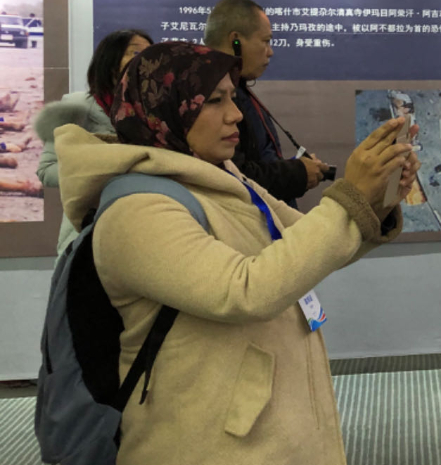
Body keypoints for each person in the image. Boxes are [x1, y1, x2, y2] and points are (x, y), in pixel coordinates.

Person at [53, 41, 419, 464]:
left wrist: (378, 198)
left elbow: (307, 243)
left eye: (232, 96)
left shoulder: (224, 177)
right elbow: (245, 290)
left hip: (260, 433)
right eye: (214, 100)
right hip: (205, 442)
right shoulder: (137, 209)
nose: (236, 114)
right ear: (168, 106)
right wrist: (351, 195)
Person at [34, 29, 153, 255]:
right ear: (110, 62)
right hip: (87, 233)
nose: (145, 60)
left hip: (143, 229)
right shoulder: (76, 107)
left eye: (150, 53)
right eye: (135, 52)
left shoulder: (156, 115)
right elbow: (47, 171)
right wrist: (107, 167)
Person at [204, 0, 329, 205]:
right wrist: (297, 173)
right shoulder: (210, 95)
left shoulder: (237, 88)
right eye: (265, 41)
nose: (270, 52)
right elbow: (234, 176)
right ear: (235, 40)